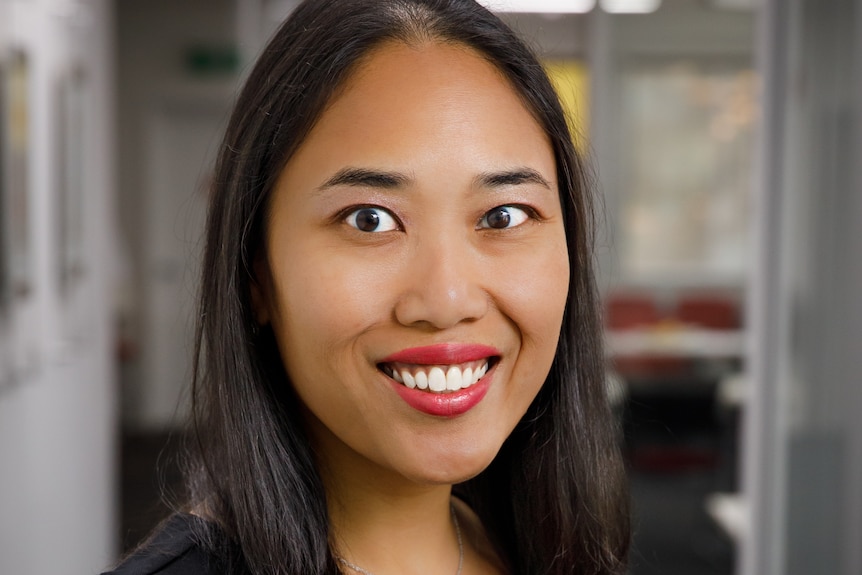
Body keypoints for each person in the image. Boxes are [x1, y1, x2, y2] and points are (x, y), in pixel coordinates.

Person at [104, 0, 630, 573]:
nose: (447, 300)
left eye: (503, 216)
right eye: (369, 219)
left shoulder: (542, 548)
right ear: (256, 273)